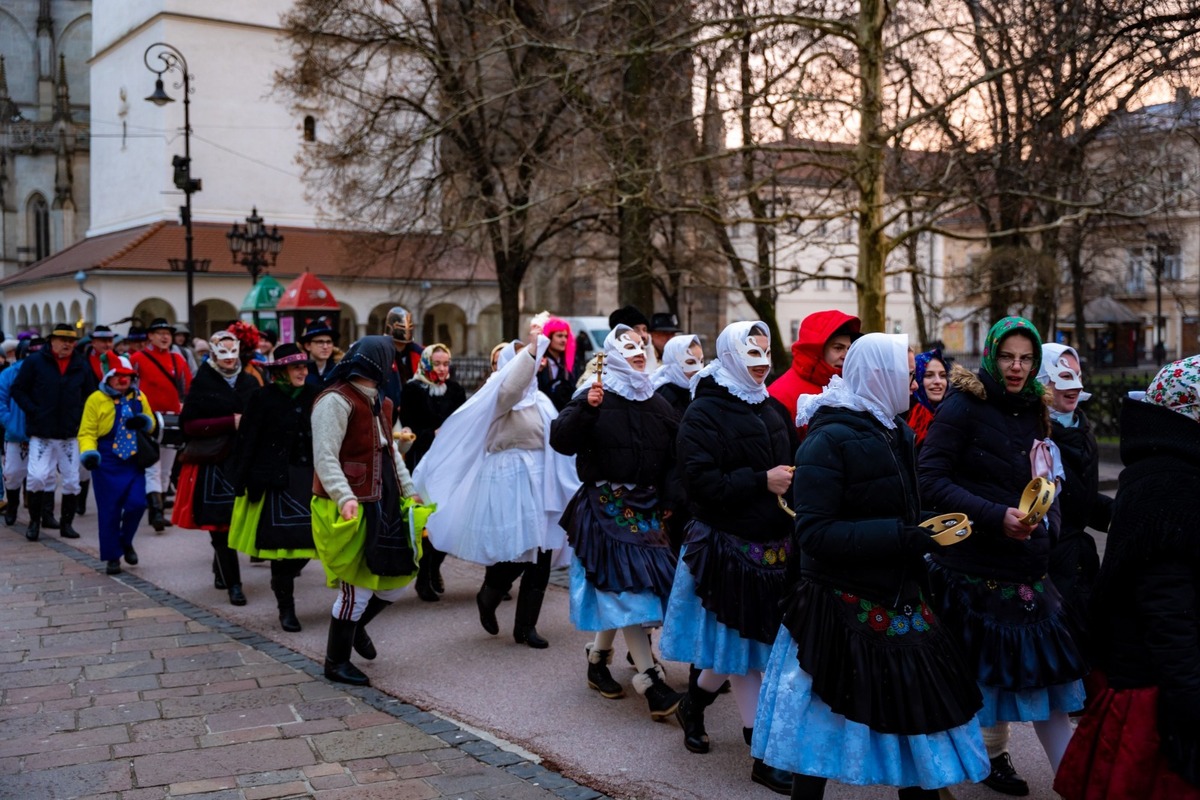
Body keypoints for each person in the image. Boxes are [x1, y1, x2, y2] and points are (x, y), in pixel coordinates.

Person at [753, 333, 989, 800]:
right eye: (907, 373)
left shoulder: (893, 429)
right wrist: (905, 536)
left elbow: (895, 508)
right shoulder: (827, 439)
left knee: (913, 725)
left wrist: (938, 524)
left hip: (898, 595)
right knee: (819, 734)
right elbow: (815, 533)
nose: (915, 382)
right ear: (880, 376)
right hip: (839, 608)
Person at [917, 317, 1087, 794]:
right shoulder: (962, 404)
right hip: (973, 570)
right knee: (975, 686)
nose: (1017, 367)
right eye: (1008, 356)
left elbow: (1044, 474)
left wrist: (1048, 524)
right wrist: (996, 517)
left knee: (1049, 686)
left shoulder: (1036, 404)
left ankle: (1076, 785)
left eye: (1026, 358)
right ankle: (944, 778)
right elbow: (929, 479)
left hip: (1028, 566)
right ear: (992, 355)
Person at [660, 321, 797, 794]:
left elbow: (793, 460)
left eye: (766, 353)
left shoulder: (771, 406)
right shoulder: (704, 411)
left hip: (774, 549)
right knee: (744, 650)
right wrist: (761, 480)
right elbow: (700, 484)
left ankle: (693, 705)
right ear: (732, 356)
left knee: (745, 648)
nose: (762, 363)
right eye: (751, 354)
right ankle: (761, 754)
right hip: (727, 548)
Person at [1054, 357, 1200, 800]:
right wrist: (1190, 705)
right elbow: (1168, 609)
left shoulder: (1165, 470)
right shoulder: (1173, 487)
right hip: (1158, 695)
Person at [416, 322, 578, 646]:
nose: (531, 366)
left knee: (542, 554)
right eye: (522, 360)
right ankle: (489, 595)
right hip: (511, 479)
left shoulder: (540, 400)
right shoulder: (500, 395)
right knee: (516, 551)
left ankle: (526, 627)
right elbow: (513, 385)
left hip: (541, 480)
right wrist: (532, 349)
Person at [550, 324, 683, 718]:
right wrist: (586, 409)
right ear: (611, 355)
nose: (638, 352)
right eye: (629, 348)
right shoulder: (594, 393)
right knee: (627, 591)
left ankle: (597, 660)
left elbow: (675, 457)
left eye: (641, 347)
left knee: (624, 588)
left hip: (647, 509)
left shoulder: (656, 401)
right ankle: (651, 682)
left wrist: (671, 497)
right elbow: (561, 440)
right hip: (605, 507)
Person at [311, 336, 421, 687]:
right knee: (355, 589)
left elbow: (391, 454)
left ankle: (356, 625)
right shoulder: (334, 400)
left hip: (383, 500)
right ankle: (336, 661)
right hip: (350, 504)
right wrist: (344, 496)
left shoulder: (381, 401)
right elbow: (325, 456)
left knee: (396, 580)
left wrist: (410, 492)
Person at [227, 343, 320, 633]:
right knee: (284, 548)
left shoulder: (315, 395)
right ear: (281, 371)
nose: (302, 372)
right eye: (296, 367)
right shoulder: (262, 398)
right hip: (277, 481)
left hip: (310, 479)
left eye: (304, 366)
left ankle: (283, 581)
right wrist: (242, 480)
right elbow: (248, 440)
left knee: (310, 543)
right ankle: (286, 607)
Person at [173, 331, 261, 607]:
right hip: (214, 463)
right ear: (212, 353)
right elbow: (189, 426)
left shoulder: (249, 382)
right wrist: (228, 422)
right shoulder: (203, 382)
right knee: (220, 526)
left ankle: (221, 567)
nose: (229, 358)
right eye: (223, 352)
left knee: (237, 522)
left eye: (233, 351)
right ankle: (234, 584)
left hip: (244, 461)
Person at [1038, 344, 1111, 648]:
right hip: (1047, 567)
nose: (1077, 386)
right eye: (1065, 376)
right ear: (1043, 380)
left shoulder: (1082, 431)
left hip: (1080, 563)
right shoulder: (1032, 433)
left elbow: (1083, 498)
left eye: (1078, 376)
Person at [12, 323, 96, 541]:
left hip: (70, 433)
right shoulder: (35, 362)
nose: (67, 344)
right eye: (62, 340)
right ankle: (34, 522)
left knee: (72, 480)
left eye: (71, 341)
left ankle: (66, 524)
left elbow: (91, 395)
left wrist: (80, 416)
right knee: (37, 476)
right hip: (42, 432)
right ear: (52, 341)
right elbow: (18, 390)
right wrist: (33, 411)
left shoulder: (81, 364)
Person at [400, 342, 467, 601]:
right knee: (426, 519)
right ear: (426, 363)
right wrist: (433, 434)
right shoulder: (413, 390)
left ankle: (435, 567)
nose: (441, 368)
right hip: (422, 460)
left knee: (448, 517)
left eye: (446, 364)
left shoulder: (455, 390)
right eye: (437, 363)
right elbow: (409, 429)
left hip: (450, 462)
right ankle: (423, 576)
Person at [78, 356, 156, 575]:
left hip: (133, 460)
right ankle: (113, 557)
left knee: (137, 504)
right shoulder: (96, 399)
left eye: (127, 376)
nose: (123, 380)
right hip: (106, 461)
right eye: (118, 376)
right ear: (109, 377)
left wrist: (145, 423)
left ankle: (125, 541)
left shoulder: (138, 396)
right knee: (109, 511)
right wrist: (89, 453)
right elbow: (87, 432)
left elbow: (151, 422)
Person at [131, 318, 192, 533]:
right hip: (149, 419)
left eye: (167, 333)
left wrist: (186, 407)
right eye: (160, 333)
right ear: (150, 336)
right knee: (152, 466)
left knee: (166, 469)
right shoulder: (137, 359)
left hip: (173, 420)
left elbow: (188, 388)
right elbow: (129, 387)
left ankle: (158, 510)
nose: (165, 337)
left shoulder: (178, 359)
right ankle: (156, 512)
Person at [768, 310, 861, 435]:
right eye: (838, 348)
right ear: (817, 350)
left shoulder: (851, 386)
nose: (846, 355)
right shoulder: (779, 396)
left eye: (849, 348)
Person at [0, 337, 41, 527]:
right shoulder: (9, 374)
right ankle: (13, 505)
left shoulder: (45, 373)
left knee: (39, 475)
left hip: (41, 432)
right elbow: (1, 400)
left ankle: (37, 516)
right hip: (16, 433)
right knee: (12, 473)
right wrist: (10, 422)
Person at [383, 306, 424, 419]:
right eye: (401, 327)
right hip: (389, 409)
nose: (405, 330)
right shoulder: (382, 353)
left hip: (416, 409)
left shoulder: (420, 353)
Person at [651, 334, 704, 418]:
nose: (699, 369)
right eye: (690, 362)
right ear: (674, 364)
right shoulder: (662, 396)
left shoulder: (700, 391)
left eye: (701, 361)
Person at [905, 348, 948, 450]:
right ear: (917, 378)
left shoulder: (953, 415)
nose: (938, 381)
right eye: (928, 375)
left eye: (943, 376)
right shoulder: (906, 416)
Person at [537, 317, 578, 411]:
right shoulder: (539, 361)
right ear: (548, 337)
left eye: (566, 336)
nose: (564, 340)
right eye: (559, 336)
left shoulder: (570, 363)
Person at [299, 317, 340, 387]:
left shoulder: (338, 372)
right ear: (308, 346)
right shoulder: (300, 372)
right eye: (320, 342)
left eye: (329, 342)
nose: (325, 347)